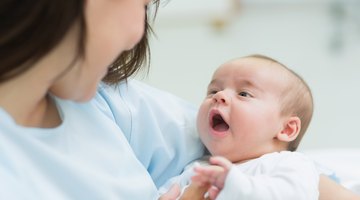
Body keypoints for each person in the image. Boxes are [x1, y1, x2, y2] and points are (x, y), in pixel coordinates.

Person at [0, 1, 358, 200]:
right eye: (142, 4)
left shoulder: (104, 101)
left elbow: (298, 178)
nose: (138, 31)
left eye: (244, 93)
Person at [160, 55, 360, 200]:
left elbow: (296, 194)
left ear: (287, 130)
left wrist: (237, 185)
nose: (219, 96)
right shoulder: (195, 169)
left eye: (244, 94)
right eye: (214, 90)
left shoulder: (287, 164)